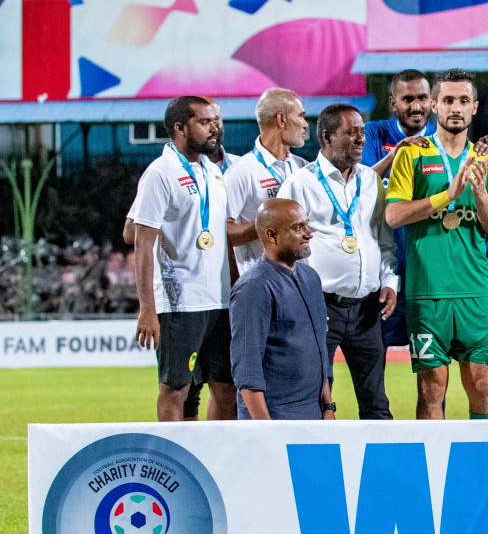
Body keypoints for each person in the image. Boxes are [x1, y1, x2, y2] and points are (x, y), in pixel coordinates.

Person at [384, 69, 488, 420]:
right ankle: (435, 470)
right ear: (434, 105)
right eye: (448, 100)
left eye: (464, 101)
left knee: (482, 384)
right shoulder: (412, 154)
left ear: (475, 107)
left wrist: (480, 194)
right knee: (431, 389)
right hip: (428, 291)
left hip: (475, 291)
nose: (456, 108)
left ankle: (486, 468)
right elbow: (394, 215)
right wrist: (446, 196)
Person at [278, 103, 397, 420]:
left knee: (376, 402)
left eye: (362, 133)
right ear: (327, 136)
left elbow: (382, 239)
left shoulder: (371, 180)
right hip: (320, 306)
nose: (360, 140)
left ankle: (382, 469)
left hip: (367, 309)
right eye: (352, 133)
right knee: (317, 400)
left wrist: (389, 282)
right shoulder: (299, 183)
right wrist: (302, 304)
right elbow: (288, 251)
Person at [131, 96, 237, 422]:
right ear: (180, 128)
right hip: (180, 304)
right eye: (205, 122)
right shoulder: (160, 174)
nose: (214, 128)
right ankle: (177, 467)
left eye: (215, 121)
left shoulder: (214, 171)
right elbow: (140, 243)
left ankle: (216, 464)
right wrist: (148, 308)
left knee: (226, 389)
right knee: (176, 389)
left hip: (219, 301)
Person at [229, 199, 333, 420]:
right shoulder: (254, 287)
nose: (308, 233)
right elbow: (247, 369)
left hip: (315, 416)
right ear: (271, 235)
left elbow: (320, 350)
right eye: (297, 227)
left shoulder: (311, 277)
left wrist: (328, 407)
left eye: (306, 225)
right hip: (277, 418)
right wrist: (267, 430)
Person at [362, 69, 436, 349]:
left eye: (422, 98)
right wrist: (396, 155)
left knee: (432, 362)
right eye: (407, 99)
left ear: (432, 101)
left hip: (426, 269)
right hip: (383, 267)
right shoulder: (374, 133)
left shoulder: (442, 140)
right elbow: (359, 185)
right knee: (374, 358)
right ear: (393, 102)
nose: (416, 106)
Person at [224, 88, 308, 277]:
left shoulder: (303, 168)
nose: (305, 124)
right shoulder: (241, 172)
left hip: (301, 276)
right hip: (263, 280)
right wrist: (269, 223)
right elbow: (225, 232)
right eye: (301, 116)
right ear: (281, 119)